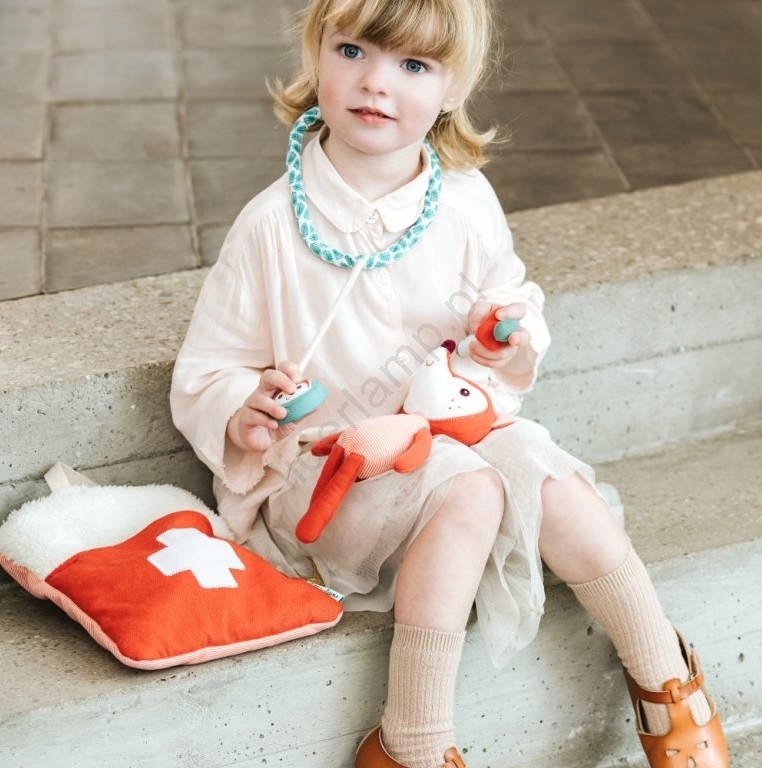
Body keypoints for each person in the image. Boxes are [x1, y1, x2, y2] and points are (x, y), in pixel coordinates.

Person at [170, 1, 728, 766]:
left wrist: (505, 332)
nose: (376, 82)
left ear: (453, 88)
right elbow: (207, 368)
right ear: (316, 55)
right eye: (353, 51)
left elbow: (507, 299)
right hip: (329, 470)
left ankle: (665, 680)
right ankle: (414, 743)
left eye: (413, 65)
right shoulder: (271, 225)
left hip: (447, 431)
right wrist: (246, 408)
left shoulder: (464, 201)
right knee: (469, 486)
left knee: (543, 473)